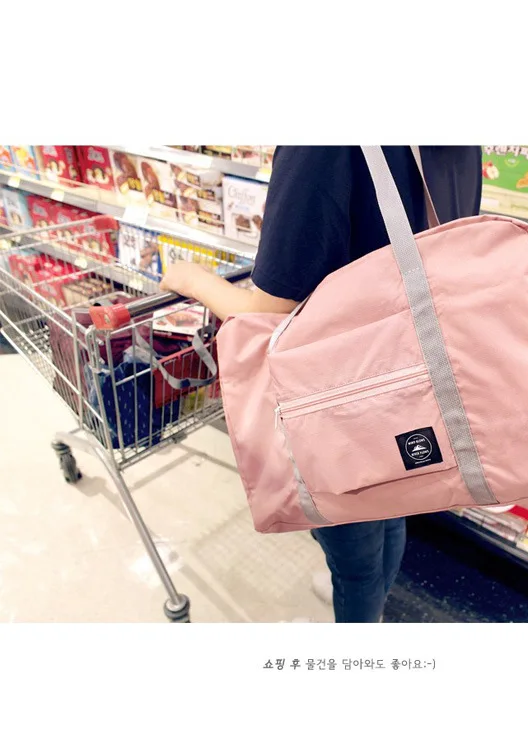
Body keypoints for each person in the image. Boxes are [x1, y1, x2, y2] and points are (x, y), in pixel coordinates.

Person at [161, 146, 483, 622]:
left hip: (344, 392)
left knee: (355, 559)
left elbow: (267, 314)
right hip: (413, 375)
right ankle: (372, 600)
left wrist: (192, 280)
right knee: (393, 503)